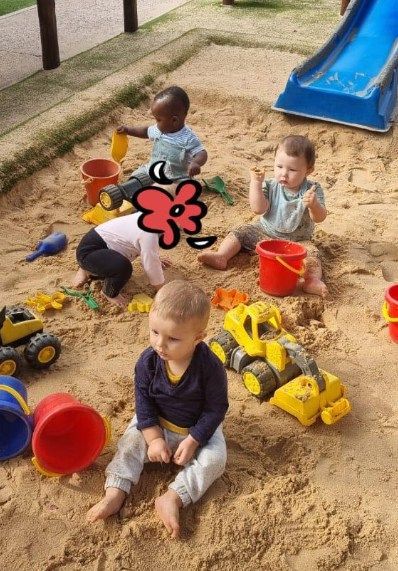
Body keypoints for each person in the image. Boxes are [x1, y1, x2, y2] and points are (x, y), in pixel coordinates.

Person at [86, 280, 229, 538]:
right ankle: (115, 491)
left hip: (196, 427)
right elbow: (143, 401)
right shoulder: (149, 361)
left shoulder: (210, 367)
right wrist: (152, 438)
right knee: (130, 442)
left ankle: (173, 497)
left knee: (216, 460)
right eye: (154, 332)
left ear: (198, 338)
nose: (160, 344)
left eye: (173, 338)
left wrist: (195, 440)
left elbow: (216, 408)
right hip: (157, 421)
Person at [198, 135, 328, 297]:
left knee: (312, 254)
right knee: (241, 231)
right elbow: (258, 209)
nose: (284, 174)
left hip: (298, 241)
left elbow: (319, 217)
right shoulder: (271, 186)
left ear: (308, 170)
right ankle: (222, 256)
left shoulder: (312, 190)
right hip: (265, 235)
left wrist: (314, 205)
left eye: (292, 170)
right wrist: (256, 184)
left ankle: (311, 280)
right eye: (279, 166)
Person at [117, 85, 208, 185]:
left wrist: (196, 163)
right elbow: (145, 131)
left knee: (176, 190)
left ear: (174, 120)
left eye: (158, 120)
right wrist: (128, 130)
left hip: (176, 178)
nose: (156, 123)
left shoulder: (188, 138)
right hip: (152, 171)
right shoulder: (159, 130)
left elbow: (201, 153)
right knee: (136, 177)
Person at [72, 212, 167, 307]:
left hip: (95, 244)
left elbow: (148, 250)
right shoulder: (149, 233)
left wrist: (155, 259)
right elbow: (150, 265)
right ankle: (108, 292)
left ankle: (86, 268)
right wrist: (161, 290)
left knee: (119, 262)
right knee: (123, 267)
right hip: (89, 252)